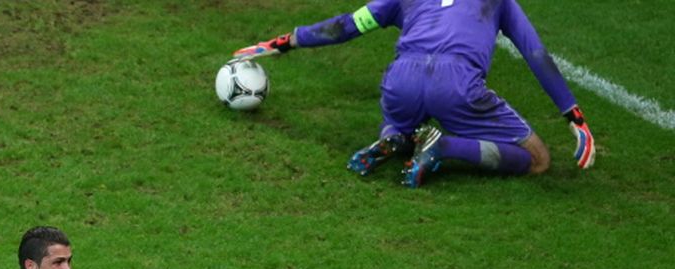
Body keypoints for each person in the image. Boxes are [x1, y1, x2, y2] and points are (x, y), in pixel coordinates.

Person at [231, 0, 596, 188]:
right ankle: (445, 147)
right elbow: (535, 53)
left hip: (402, 80)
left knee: (399, 111)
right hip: (457, 84)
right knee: (536, 160)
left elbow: (346, 26)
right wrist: (573, 117)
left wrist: (286, 41)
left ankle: (394, 137)